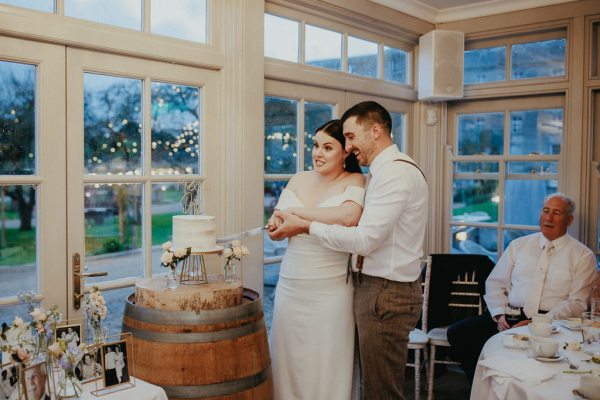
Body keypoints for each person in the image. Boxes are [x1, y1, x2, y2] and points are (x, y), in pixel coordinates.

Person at [269, 101, 428, 400]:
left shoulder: (392, 174)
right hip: (373, 287)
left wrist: (304, 225)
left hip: (386, 291)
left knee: (382, 389)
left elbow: (364, 238)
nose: (350, 145)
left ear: (376, 131)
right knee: (378, 384)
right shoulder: (384, 172)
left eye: (351, 137)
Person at [447, 193, 598, 385]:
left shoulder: (582, 256)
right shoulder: (519, 245)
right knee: (459, 334)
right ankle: (484, 388)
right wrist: (499, 314)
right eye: (545, 211)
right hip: (510, 316)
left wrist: (538, 322)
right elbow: (495, 283)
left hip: (551, 322)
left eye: (557, 213)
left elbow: (577, 303)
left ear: (569, 220)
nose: (549, 218)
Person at [267, 119, 365, 400]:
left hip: (330, 290)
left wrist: (297, 214)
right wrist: (275, 224)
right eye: (315, 145)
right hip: (291, 286)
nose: (318, 153)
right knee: (288, 362)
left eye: (328, 147)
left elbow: (349, 217)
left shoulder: (355, 180)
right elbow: (277, 229)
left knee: (326, 364)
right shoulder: (298, 179)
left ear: (345, 152)